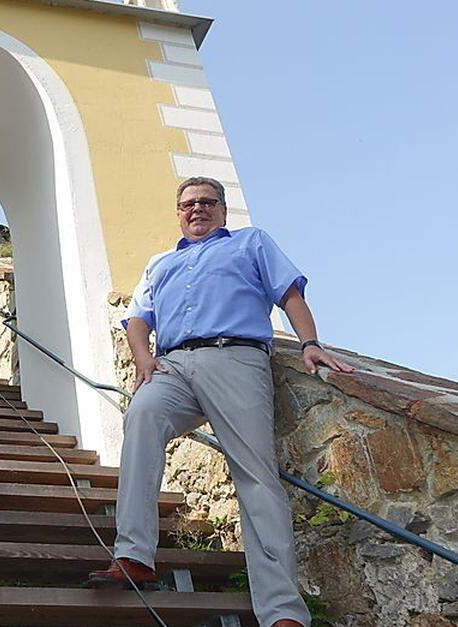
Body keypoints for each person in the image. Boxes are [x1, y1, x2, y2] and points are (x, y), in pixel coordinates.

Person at [85, 176, 353, 627]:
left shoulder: (251, 243)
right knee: (142, 418)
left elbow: (289, 294)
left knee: (256, 475)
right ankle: (134, 556)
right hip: (173, 366)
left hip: (235, 359)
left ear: (223, 210)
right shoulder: (160, 263)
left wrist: (309, 342)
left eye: (208, 202)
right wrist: (143, 358)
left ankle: (283, 612)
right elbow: (136, 318)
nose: (198, 209)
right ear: (178, 212)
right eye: (188, 204)